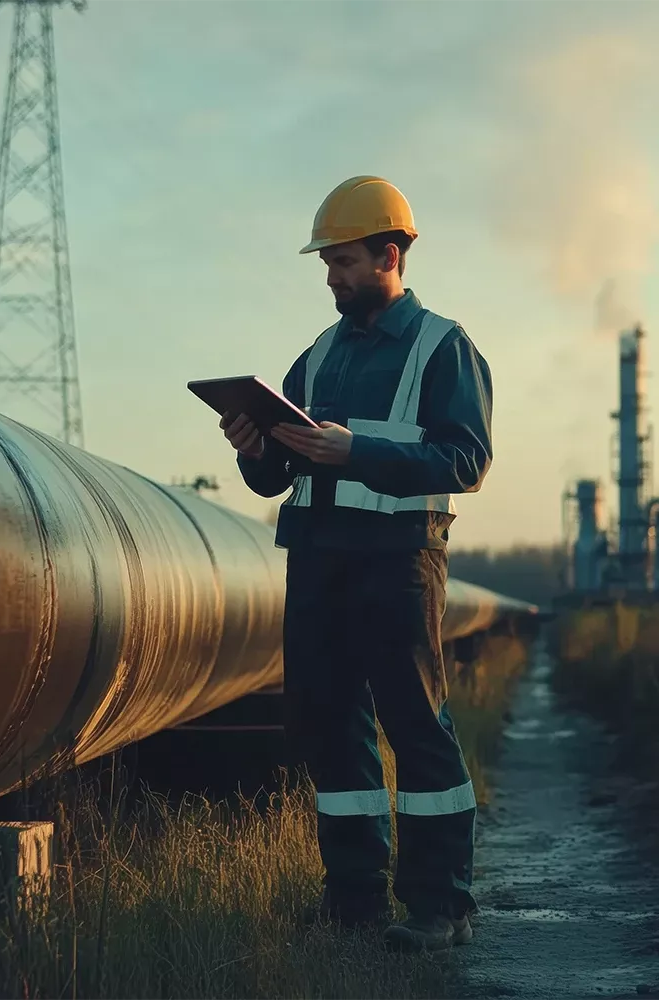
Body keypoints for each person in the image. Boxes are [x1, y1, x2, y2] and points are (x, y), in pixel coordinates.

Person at [221, 175, 493, 953]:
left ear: (390, 254)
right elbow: (279, 477)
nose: (333, 278)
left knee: (417, 727)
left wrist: (357, 451)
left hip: (398, 562)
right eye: (327, 265)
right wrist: (254, 451)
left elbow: (465, 459)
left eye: (343, 262)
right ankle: (354, 902)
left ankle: (442, 908)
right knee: (330, 729)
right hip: (316, 563)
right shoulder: (318, 356)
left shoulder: (444, 347)